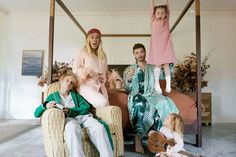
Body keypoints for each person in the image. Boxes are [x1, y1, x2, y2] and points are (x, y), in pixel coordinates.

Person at [34, 73, 113, 157]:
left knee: (99, 127)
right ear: (61, 81)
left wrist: (70, 111)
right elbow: (36, 113)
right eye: (67, 80)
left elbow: (85, 107)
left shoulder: (76, 96)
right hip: (69, 120)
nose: (69, 83)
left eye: (71, 82)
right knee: (72, 129)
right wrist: (45, 105)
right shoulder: (52, 96)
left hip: (84, 118)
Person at [123, 43, 179, 154]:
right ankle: (138, 138)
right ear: (134, 54)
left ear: (145, 52)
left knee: (162, 102)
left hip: (151, 94)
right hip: (137, 94)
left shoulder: (153, 66)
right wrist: (129, 79)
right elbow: (127, 88)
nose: (140, 54)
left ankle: (159, 138)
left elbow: (164, 74)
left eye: (142, 52)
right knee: (139, 104)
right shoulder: (129, 69)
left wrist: (168, 60)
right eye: (137, 52)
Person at [72, 28, 109, 108]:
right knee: (102, 102)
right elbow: (75, 70)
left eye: (97, 37)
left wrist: (113, 78)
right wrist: (90, 73)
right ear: (88, 39)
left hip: (101, 87)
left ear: (100, 40)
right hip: (86, 85)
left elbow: (105, 71)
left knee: (107, 107)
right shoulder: (81, 52)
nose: (94, 40)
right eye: (92, 37)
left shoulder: (103, 55)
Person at [148, 0, 176, 94]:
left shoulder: (166, 20)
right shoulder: (153, 19)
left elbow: (168, 9)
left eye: (162, 13)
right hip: (156, 45)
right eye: (158, 13)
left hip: (165, 44)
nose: (160, 14)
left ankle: (168, 83)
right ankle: (156, 83)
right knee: (158, 64)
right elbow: (151, 8)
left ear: (165, 14)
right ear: (154, 14)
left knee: (166, 65)